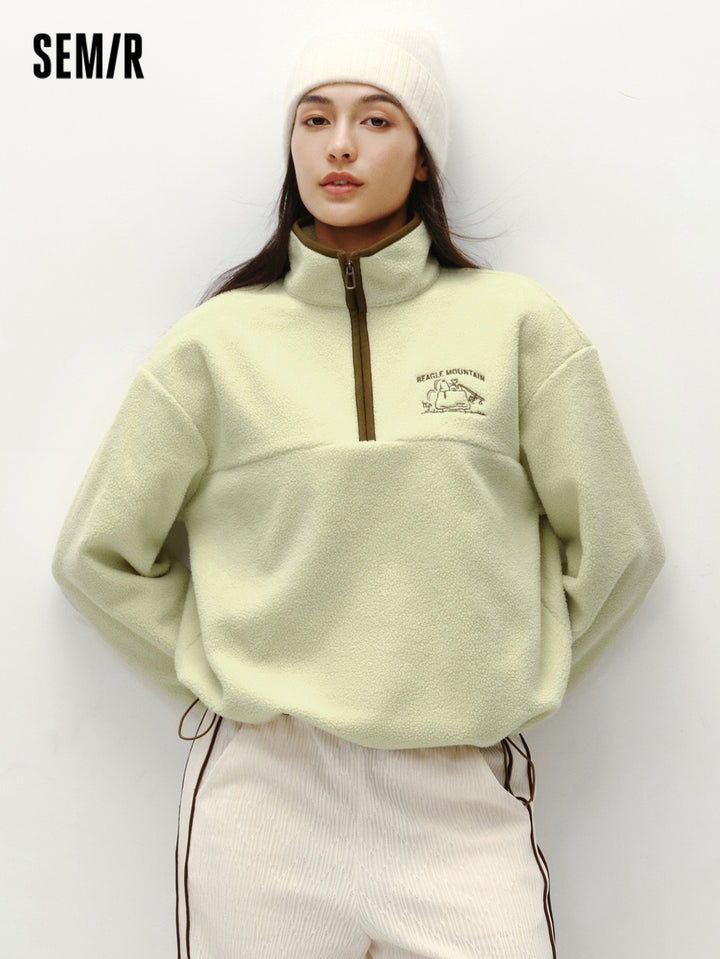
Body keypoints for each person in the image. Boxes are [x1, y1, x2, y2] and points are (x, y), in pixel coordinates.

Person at [52, 24, 665, 959]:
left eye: (376, 119)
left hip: (457, 791)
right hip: (267, 796)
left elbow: (622, 546)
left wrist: (512, 666)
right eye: (315, 119)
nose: (339, 145)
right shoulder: (213, 346)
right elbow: (95, 556)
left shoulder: (516, 326)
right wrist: (217, 660)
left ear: (422, 156)